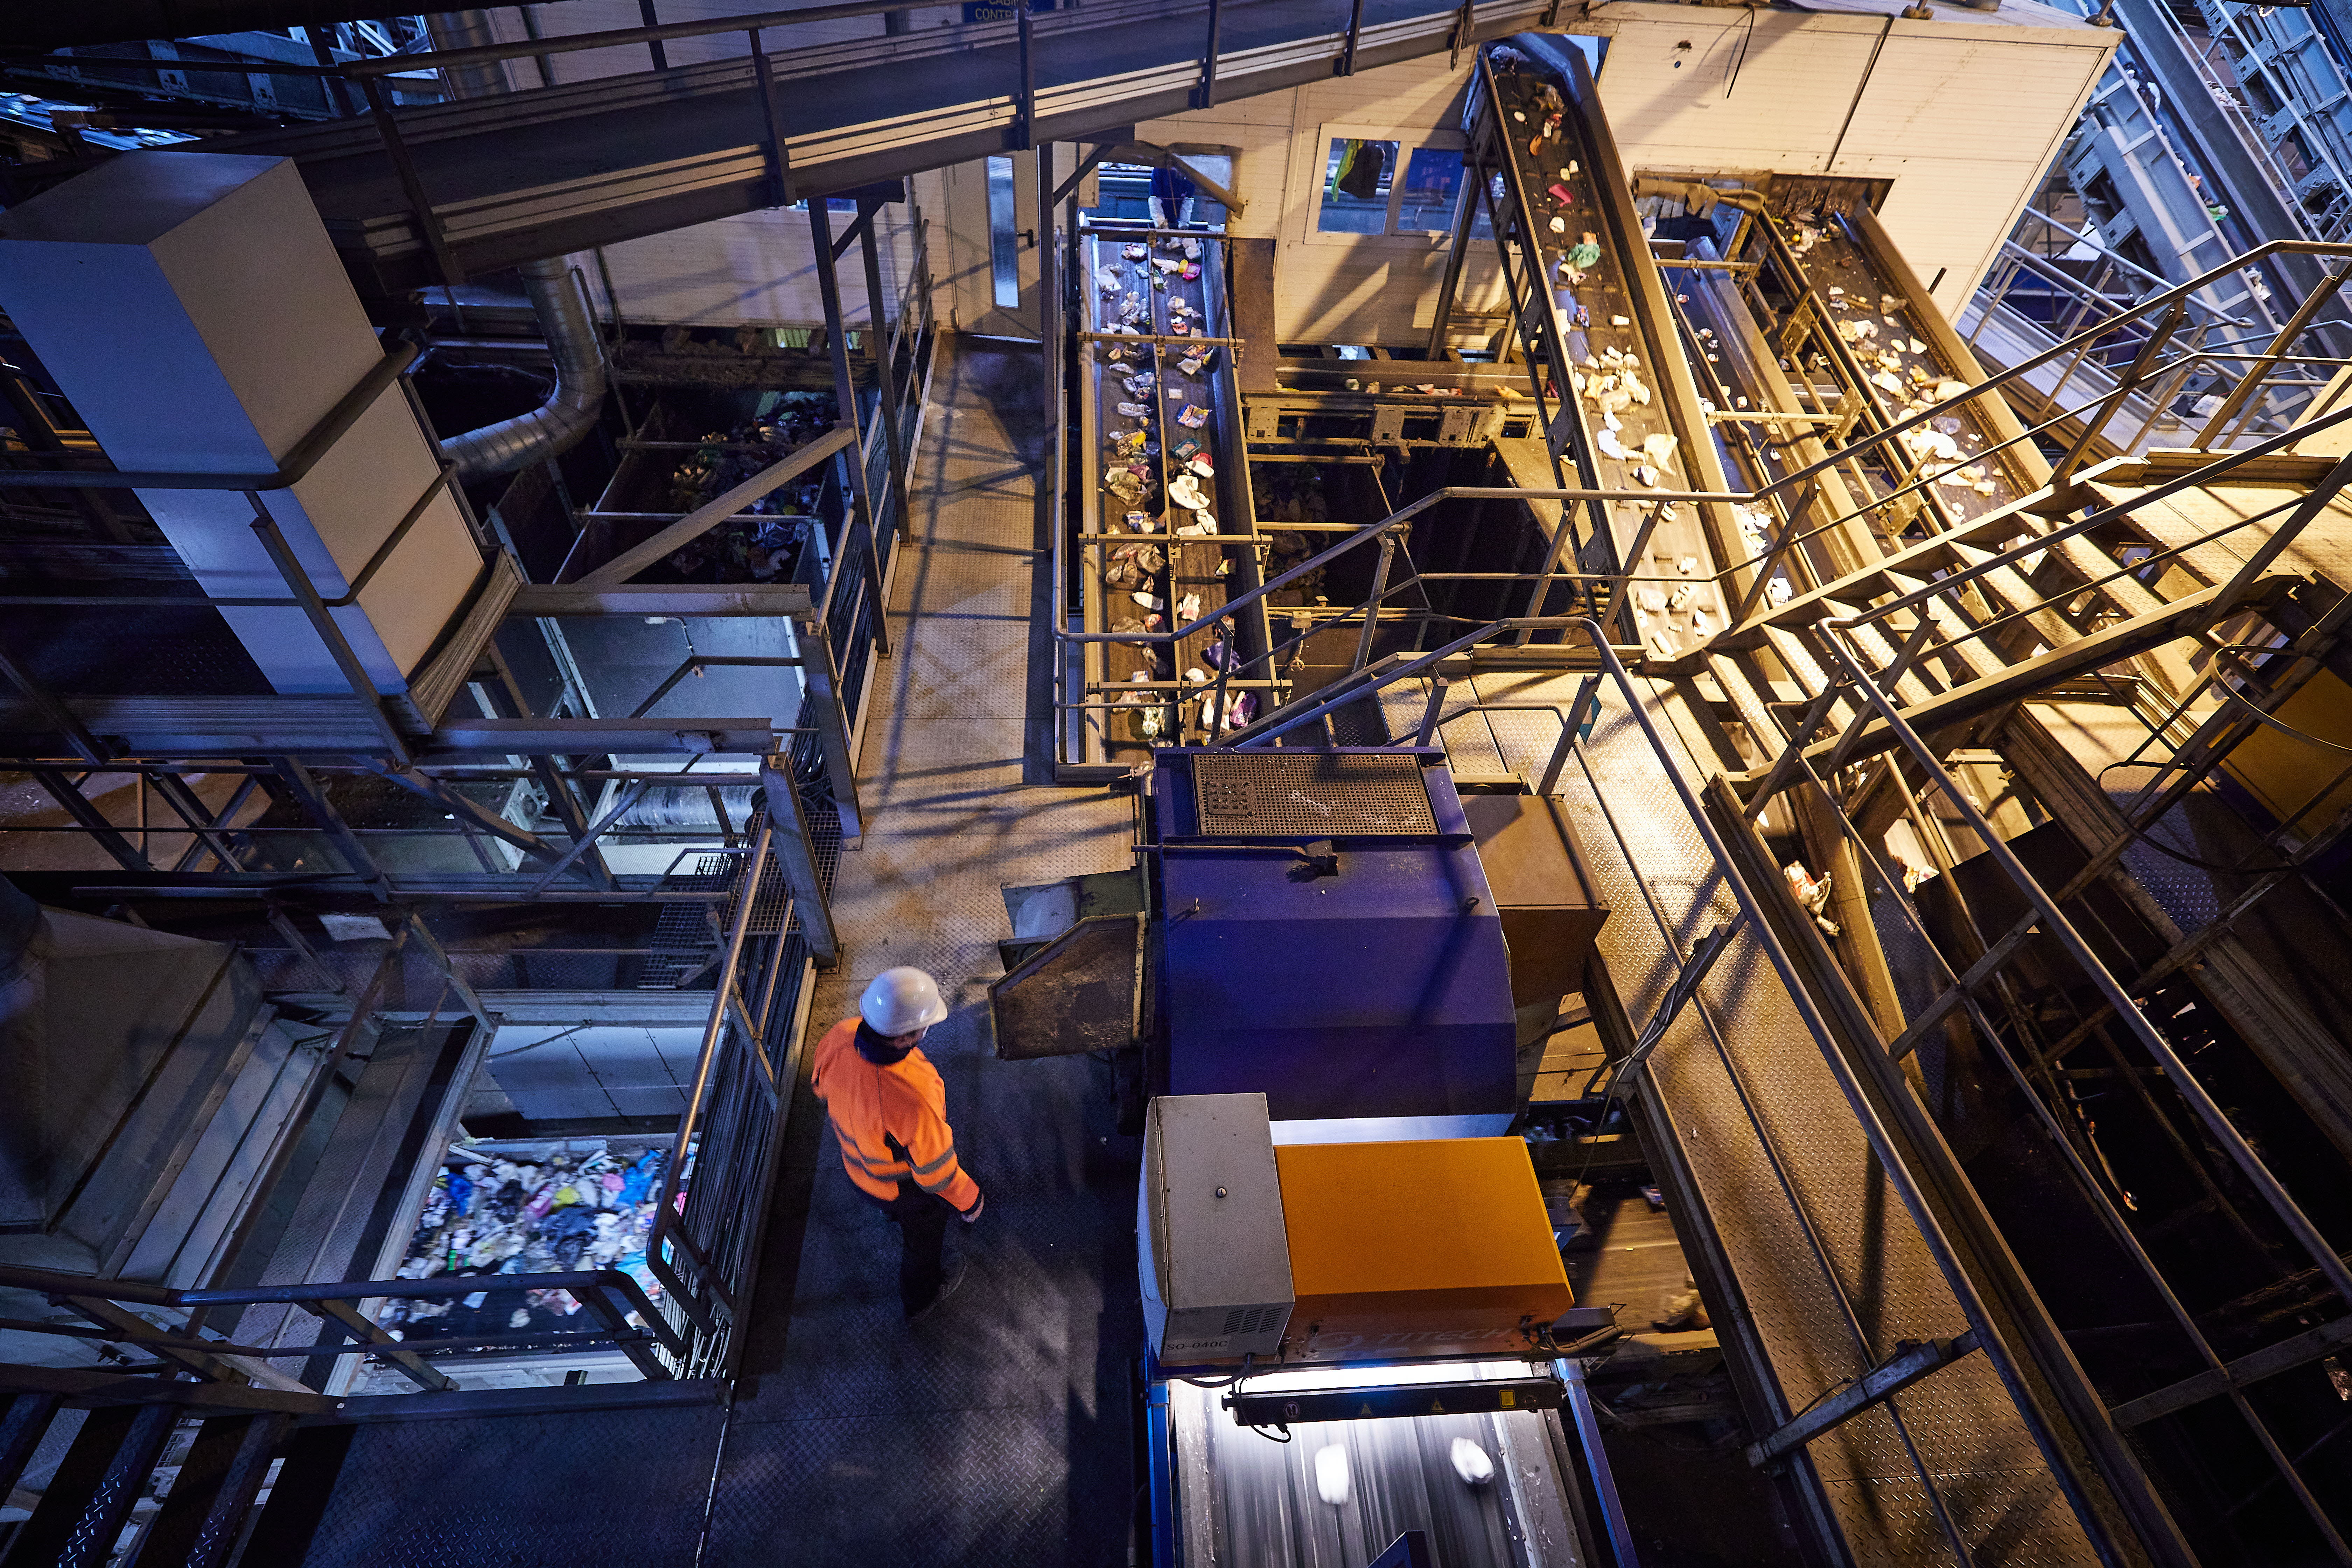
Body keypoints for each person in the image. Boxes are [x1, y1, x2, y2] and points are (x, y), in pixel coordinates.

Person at [811, 966, 985, 1320]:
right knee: (923, 1244)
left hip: (857, 1170)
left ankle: (889, 1214)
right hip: (900, 1189)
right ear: (908, 1037)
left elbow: (819, 1087)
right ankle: (920, 1299)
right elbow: (936, 1173)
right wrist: (971, 1201)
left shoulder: (841, 1034)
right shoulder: (914, 1095)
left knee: (894, 1210)